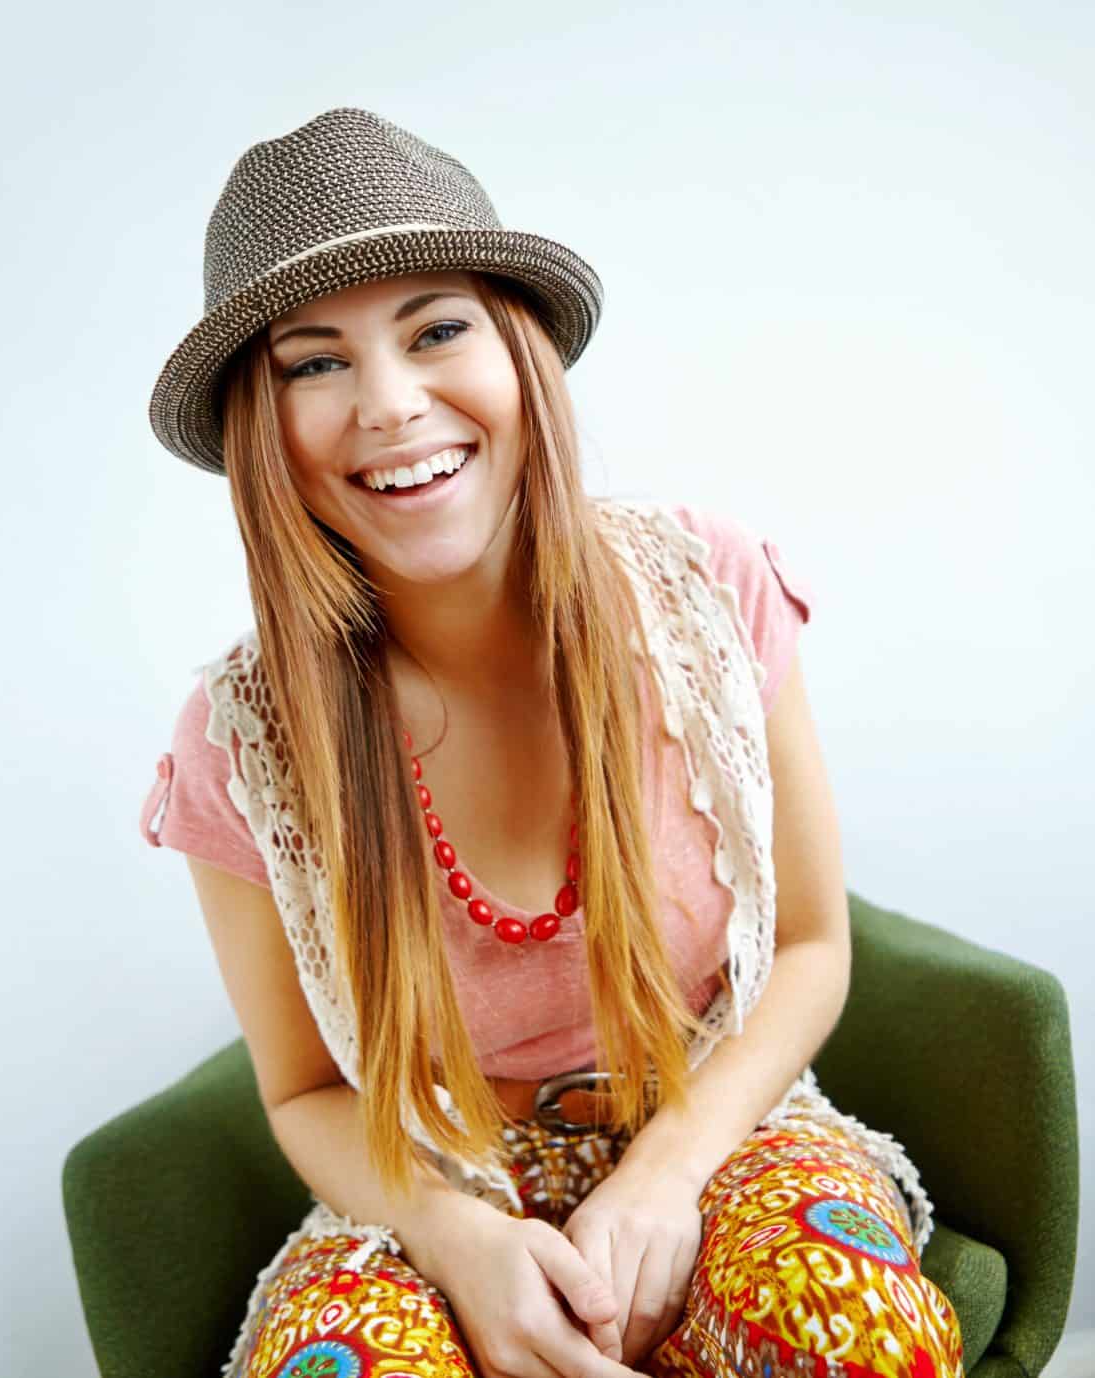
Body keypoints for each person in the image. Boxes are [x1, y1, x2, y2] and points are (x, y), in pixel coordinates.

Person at [139, 107, 965, 1378]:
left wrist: (664, 1181)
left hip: (715, 1128)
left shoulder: (710, 589)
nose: (391, 405)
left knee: (850, 1332)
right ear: (265, 426)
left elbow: (809, 941)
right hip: (433, 1190)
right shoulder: (242, 744)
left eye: (437, 329)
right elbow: (306, 1093)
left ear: (519, 350)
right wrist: (459, 1240)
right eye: (316, 363)